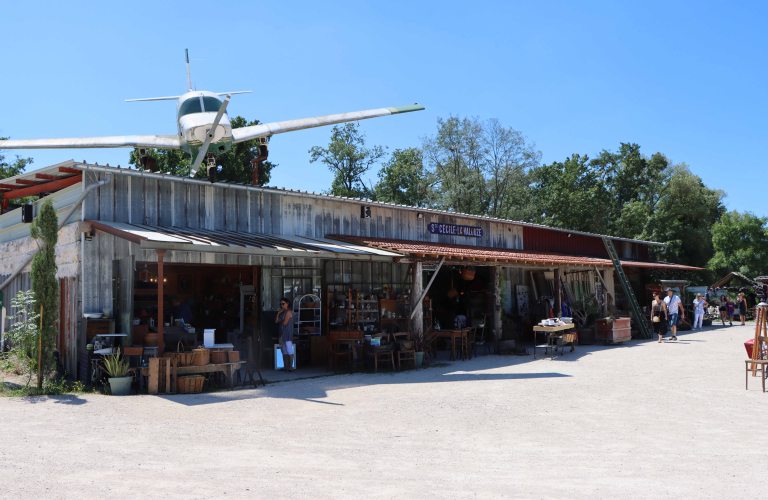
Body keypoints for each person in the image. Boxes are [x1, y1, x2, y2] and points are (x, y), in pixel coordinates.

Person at [275, 297, 294, 371]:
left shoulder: (289, 312)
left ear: (287, 303)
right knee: (284, 350)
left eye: (283, 303)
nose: (282, 305)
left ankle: (290, 366)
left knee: (289, 349)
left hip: (288, 332)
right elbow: (276, 321)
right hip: (282, 332)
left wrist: (280, 321)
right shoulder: (282, 312)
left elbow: (284, 322)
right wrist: (278, 314)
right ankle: (285, 366)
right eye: (281, 304)